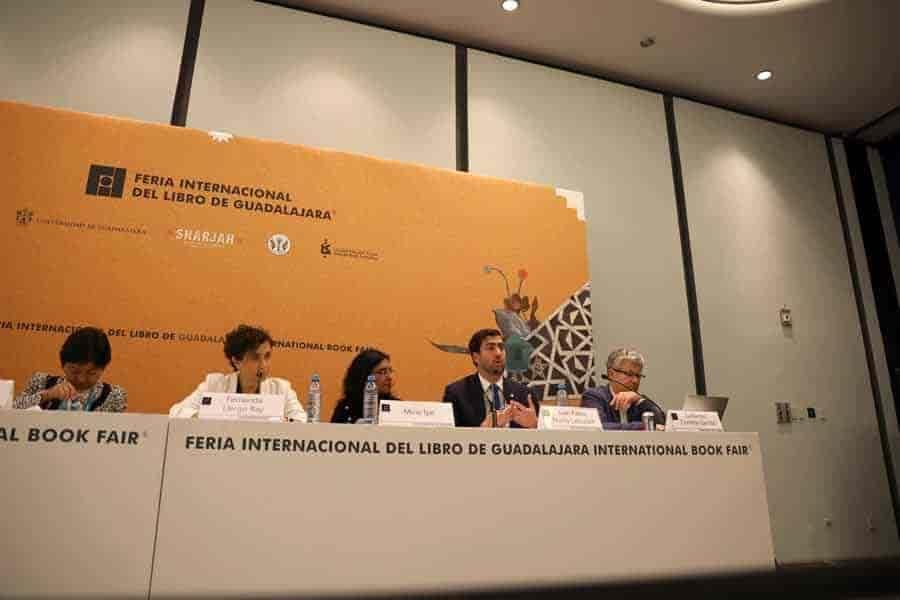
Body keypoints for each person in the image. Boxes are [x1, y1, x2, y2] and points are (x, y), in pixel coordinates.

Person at [169, 324, 306, 421]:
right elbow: (176, 413)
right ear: (236, 361)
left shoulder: (281, 389)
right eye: (255, 357)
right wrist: (208, 416)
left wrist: (284, 423)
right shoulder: (214, 385)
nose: (263, 365)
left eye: (267, 356)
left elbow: (301, 420)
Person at [13, 326, 127, 412]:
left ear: (103, 368)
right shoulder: (41, 382)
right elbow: (12, 410)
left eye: (91, 373)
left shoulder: (114, 395)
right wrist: (46, 395)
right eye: (75, 371)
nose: (81, 379)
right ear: (63, 364)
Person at [442, 328, 538, 428]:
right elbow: (445, 436)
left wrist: (535, 427)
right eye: (491, 348)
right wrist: (482, 430)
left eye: (501, 347)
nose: (498, 353)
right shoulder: (457, 394)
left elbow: (542, 435)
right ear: (476, 357)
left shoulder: (525, 395)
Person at [581, 347, 664, 427]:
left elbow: (662, 423)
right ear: (611, 374)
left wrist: (640, 400)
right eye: (629, 374)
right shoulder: (594, 397)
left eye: (638, 375)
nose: (635, 380)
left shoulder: (638, 401)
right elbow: (599, 427)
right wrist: (645, 426)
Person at [330, 348, 398, 424]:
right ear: (364, 376)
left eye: (390, 371)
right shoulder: (345, 408)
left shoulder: (396, 406)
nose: (389, 377)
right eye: (382, 372)